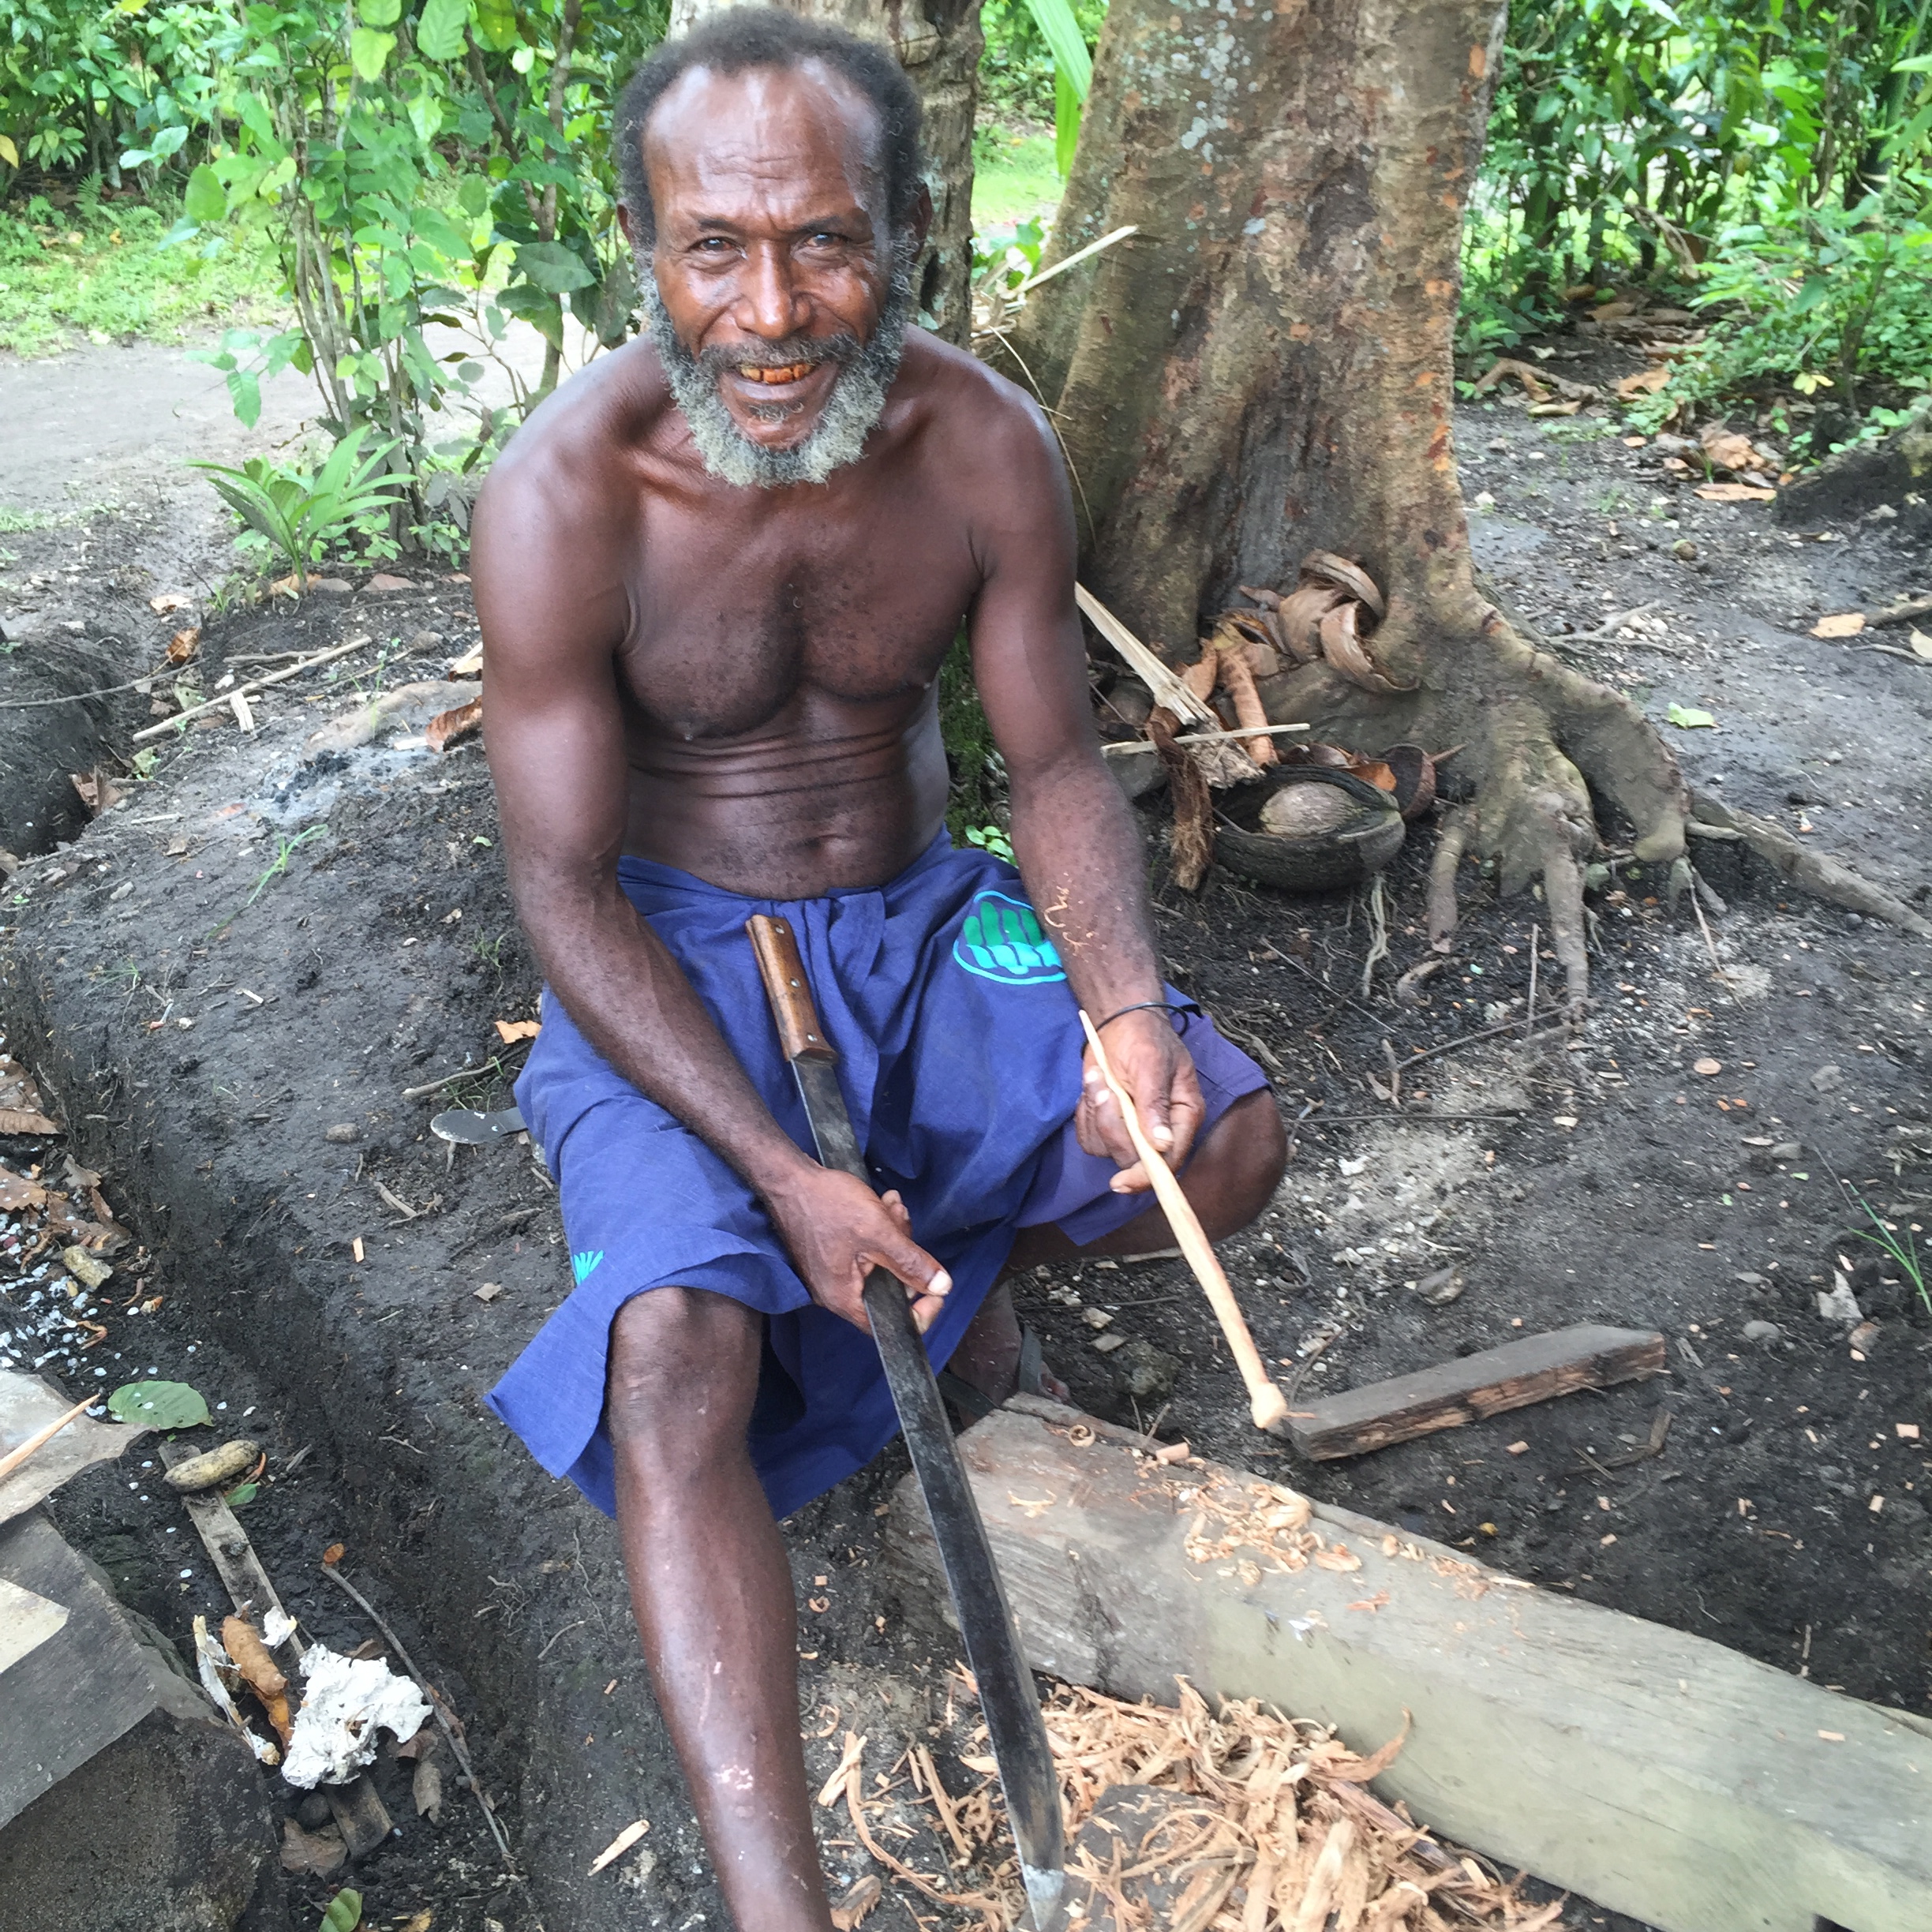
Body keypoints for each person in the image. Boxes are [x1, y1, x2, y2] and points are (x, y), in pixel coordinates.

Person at [470, 9, 1287, 1926]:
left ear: (908, 233)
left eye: (824, 244)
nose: (769, 316)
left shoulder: (980, 446)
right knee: (675, 1354)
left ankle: (945, 1268)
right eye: (714, 250)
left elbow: (1060, 768)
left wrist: (1125, 1012)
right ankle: (782, 1903)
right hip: (667, 948)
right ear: (646, 246)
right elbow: (562, 887)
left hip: (919, 916)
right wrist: (780, 1171)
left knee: (1218, 1142)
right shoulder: (562, 496)